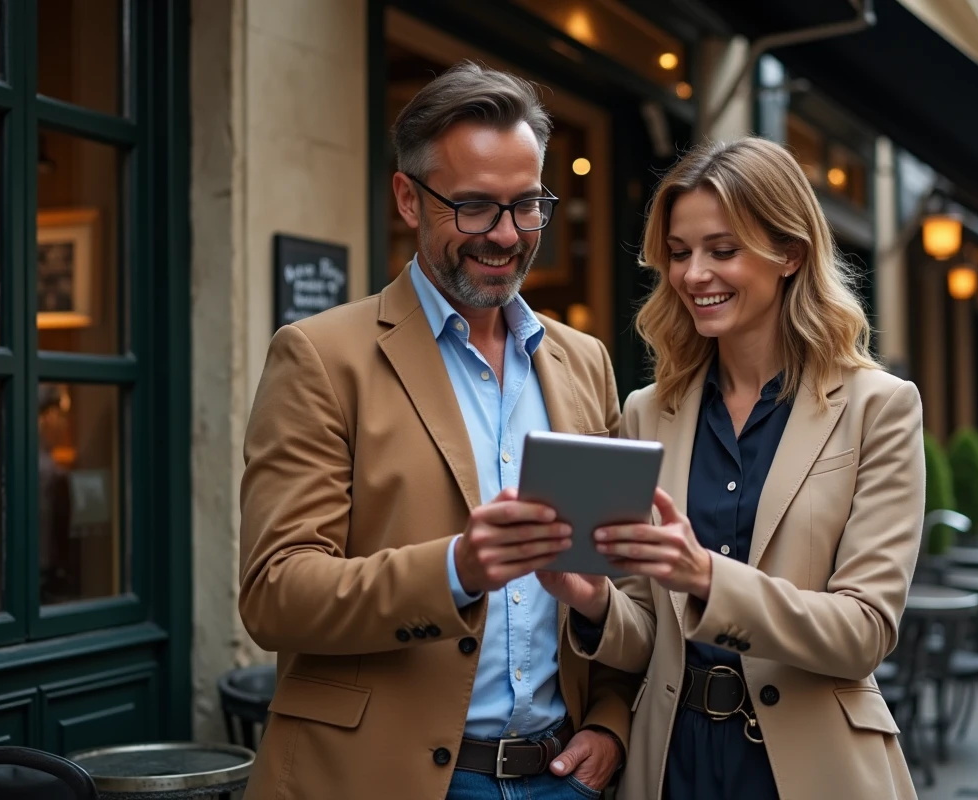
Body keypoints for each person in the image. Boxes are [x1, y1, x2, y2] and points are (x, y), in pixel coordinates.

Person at [238, 61, 632, 800]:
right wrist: (456, 567)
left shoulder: (586, 363)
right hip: (383, 778)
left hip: (561, 778)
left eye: (527, 206)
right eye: (476, 207)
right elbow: (274, 593)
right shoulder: (321, 356)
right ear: (408, 200)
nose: (507, 236)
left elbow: (614, 577)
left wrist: (612, 722)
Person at [549, 137, 924, 799]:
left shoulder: (879, 408)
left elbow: (863, 631)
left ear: (790, 254)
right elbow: (644, 634)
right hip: (673, 760)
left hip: (811, 768)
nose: (694, 274)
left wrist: (705, 576)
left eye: (723, 250)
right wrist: (590, 600)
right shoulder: (645, 413)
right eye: (679, 252)